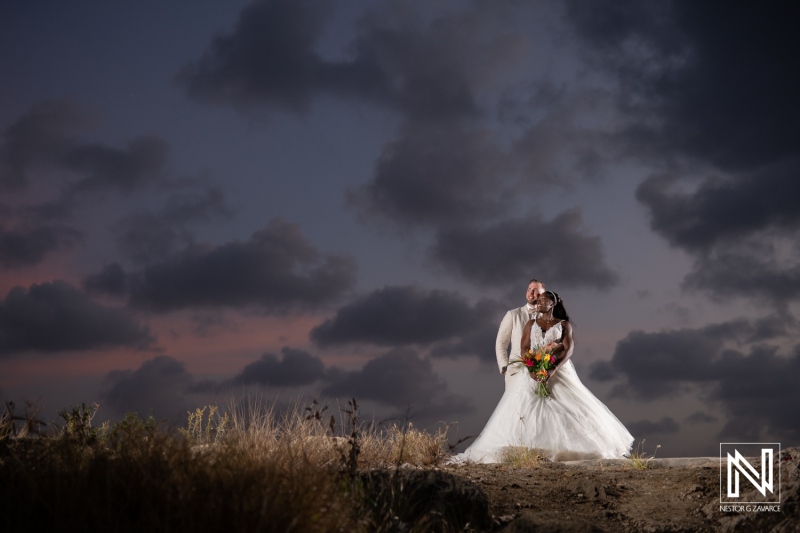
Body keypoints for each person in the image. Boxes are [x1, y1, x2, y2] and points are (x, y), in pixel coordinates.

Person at [451, 290, 633, 463]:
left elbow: (568, 350)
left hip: (558, 369)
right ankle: (528, 447)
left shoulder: (563, 325)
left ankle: (563, 446)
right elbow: (524, 348)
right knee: (526, 408)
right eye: (537, 300)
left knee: (563, 406)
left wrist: (552, 369)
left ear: (553, 303)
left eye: (543, 300)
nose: (538, 302)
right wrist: (531, 367)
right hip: (532, 368)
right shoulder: (531, 324)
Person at [496, 279, 545, 382]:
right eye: (529, 289)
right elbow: (501, 343)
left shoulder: (547, 317)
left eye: (535, 290)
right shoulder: (513, 314)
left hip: (540, 373)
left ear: (543, 294)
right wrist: (504, 367)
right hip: (515, 372)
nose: (531, 293)